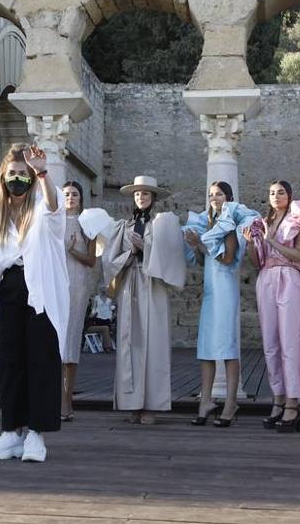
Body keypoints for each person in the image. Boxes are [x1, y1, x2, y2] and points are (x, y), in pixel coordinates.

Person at [0, 144, 67, 463]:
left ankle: (36, 433)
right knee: (10, 360)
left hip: (40, 291)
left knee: (41, 359)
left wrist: (41, 172)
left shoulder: (42, 211)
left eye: (22, 174)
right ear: (2, 178)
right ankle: (11, 430)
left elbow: (55, 207)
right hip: (10, 290)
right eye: (12, 174)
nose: (17, 179)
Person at [103, 175, 185, 425]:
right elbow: (109, 260)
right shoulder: (124, 226)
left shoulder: (163, 225)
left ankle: (152, 405)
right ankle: (133, 404)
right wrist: (131, 252)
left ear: (153, 198)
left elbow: (172, 257)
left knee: (154, 343)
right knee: (131, 343)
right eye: (137, 194)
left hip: (153, 285)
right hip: (131, 283)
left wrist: (146, 248)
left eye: (145, 194)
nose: (141, 197)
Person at [245, 181, 300, 433]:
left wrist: (273, 242)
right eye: (271, 192)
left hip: (289, 277)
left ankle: (293, 403)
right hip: (266, 278)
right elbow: (256, 262)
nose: (275, 196)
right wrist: (251, 243)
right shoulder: (263, 223)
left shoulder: (298, 220)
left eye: (280, 192)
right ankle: (277, 400)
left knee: (291, 341)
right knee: (270, 343)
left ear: (289, 195)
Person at [182, 181, 257, 428]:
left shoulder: (229, 223)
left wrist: (201, 245)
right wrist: (196, 247)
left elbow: (226, 259)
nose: (214, 198)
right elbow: (207, 263)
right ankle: (206, 401)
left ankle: (230, 402)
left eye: (219, 194)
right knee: (206, 347)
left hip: (225, 289)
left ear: (229, 197)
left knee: (226, 346)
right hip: (210, 289)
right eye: (211, 194)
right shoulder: (208, 223)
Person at [59, 181, 99, 422]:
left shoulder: (87, 224)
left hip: (77, 283)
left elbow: (92, 260)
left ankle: (67, 399)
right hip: (56, 283)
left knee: (71, 338)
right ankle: (53, 396)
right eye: (66, 194)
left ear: (81, 198)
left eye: (74, 194)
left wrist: (72, 250)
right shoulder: (53, 222)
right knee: (55, 340)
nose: (70, 197)